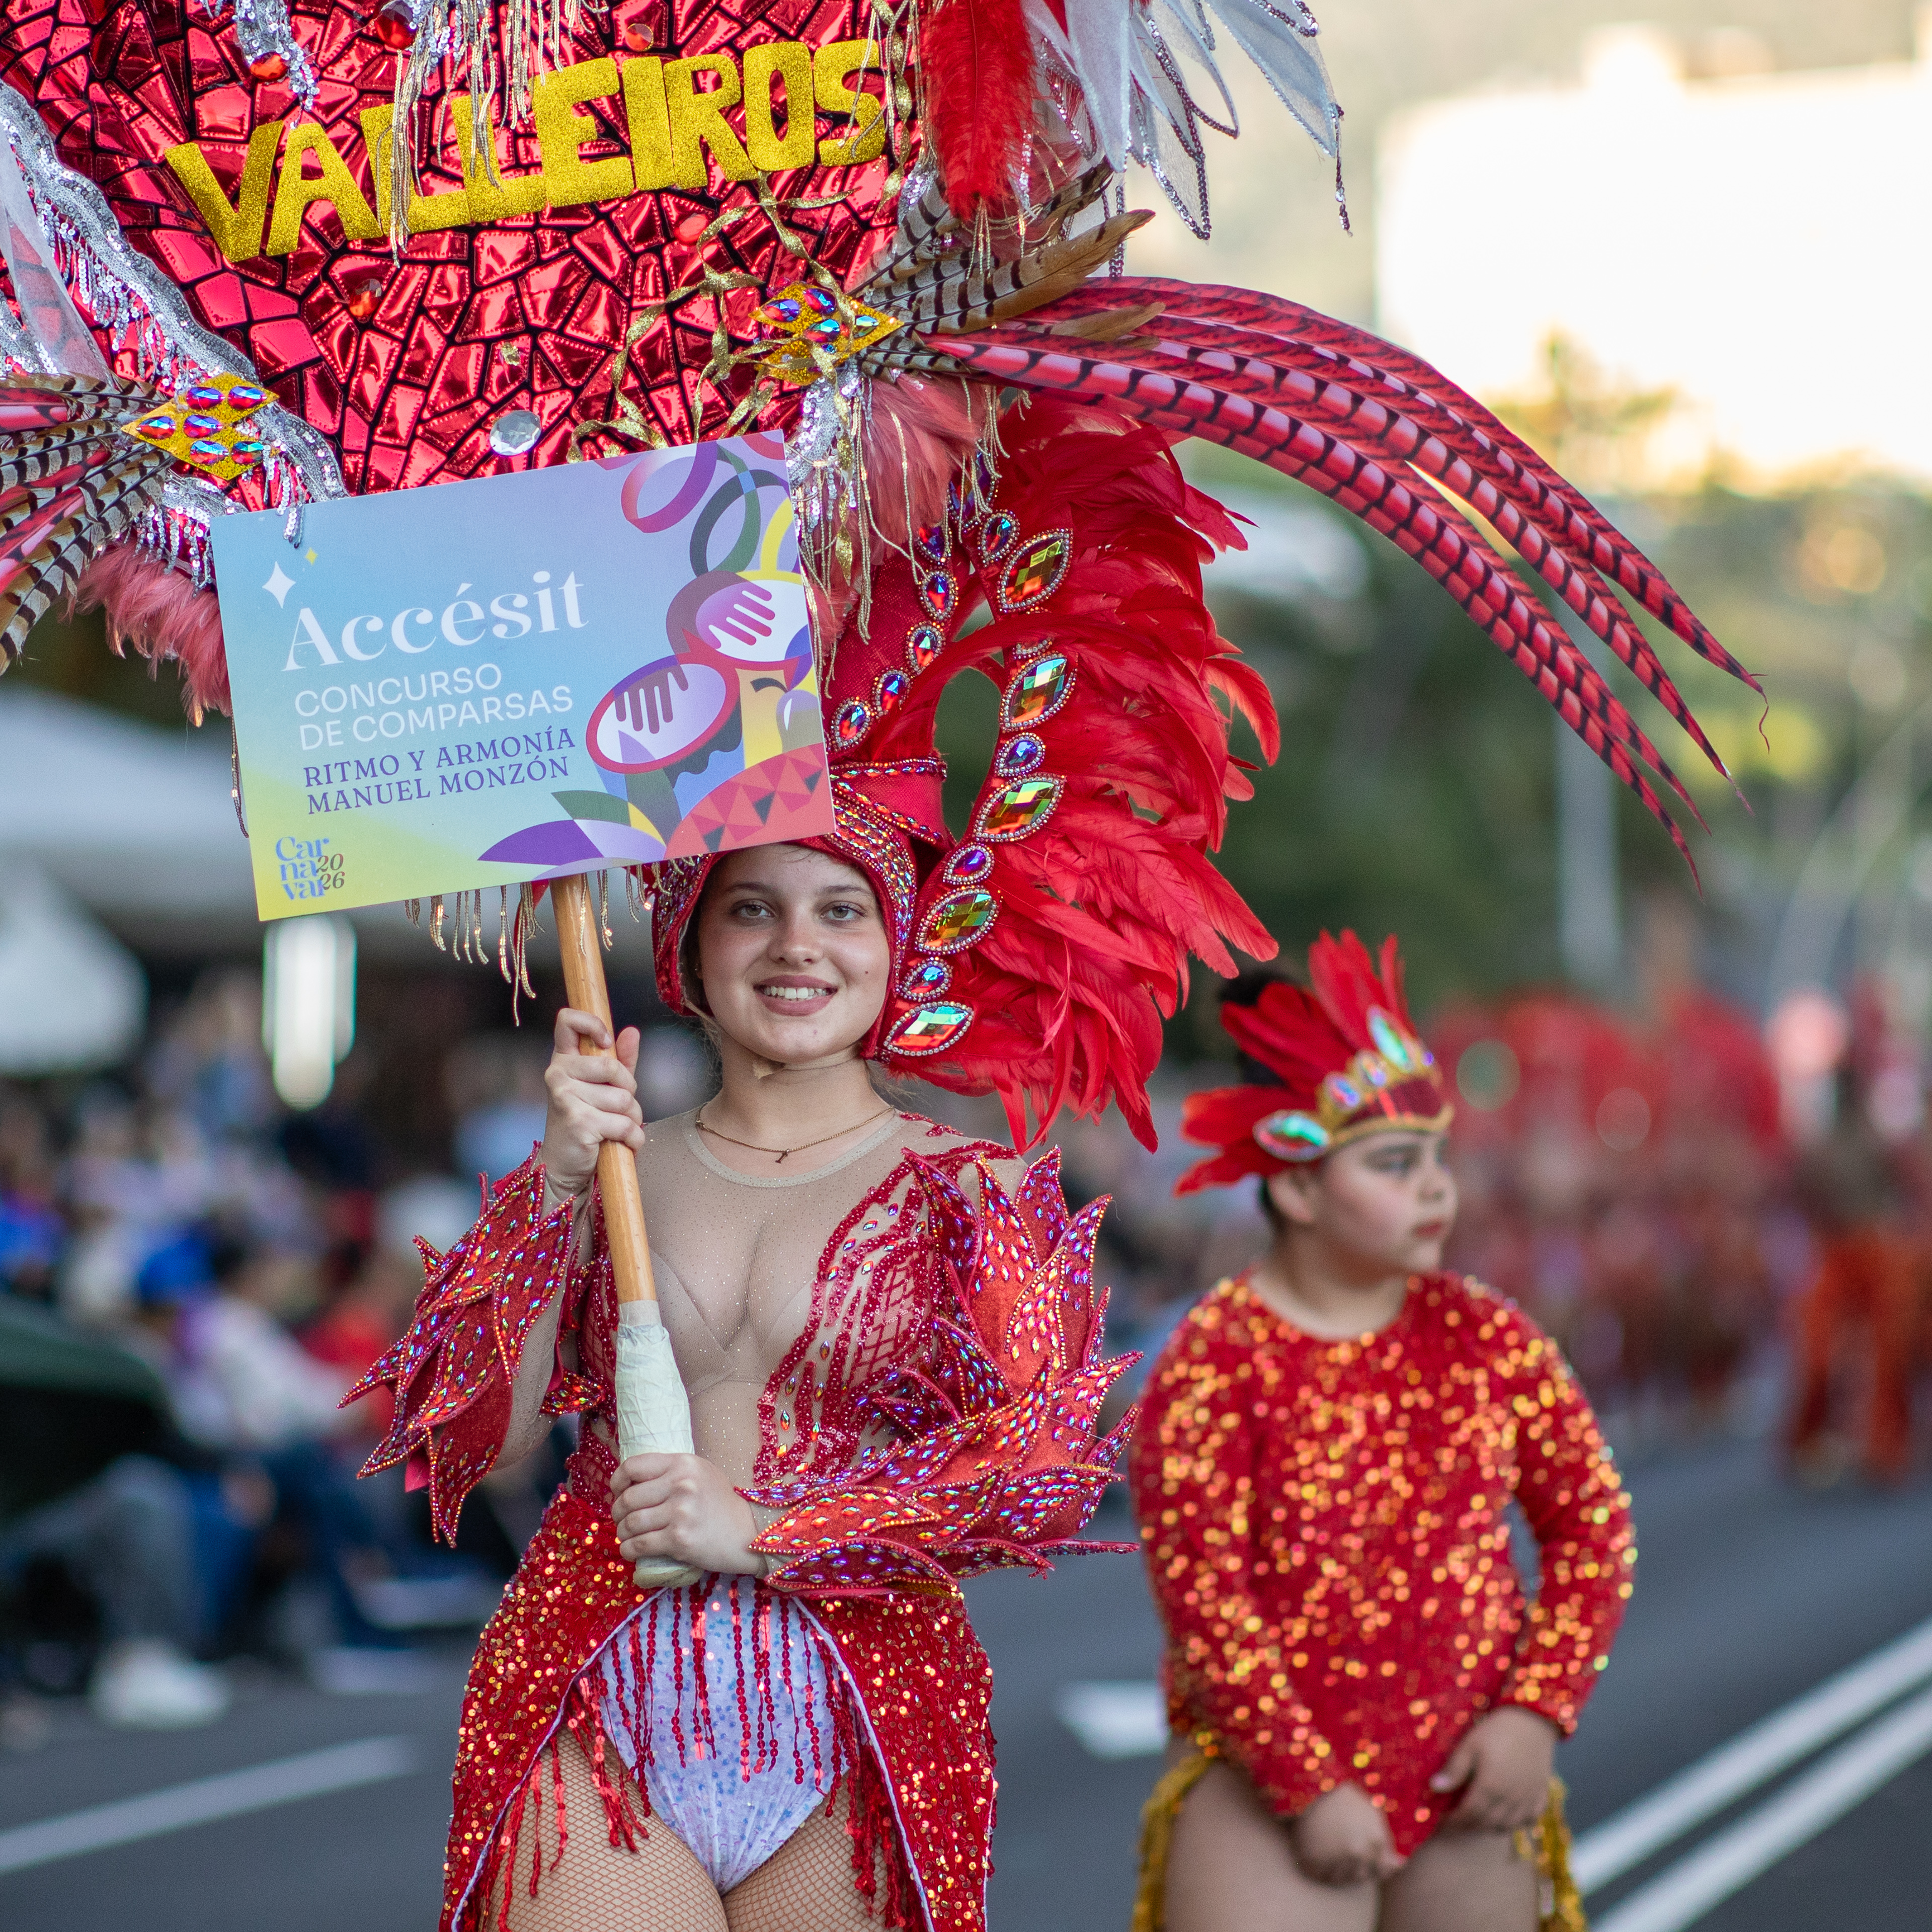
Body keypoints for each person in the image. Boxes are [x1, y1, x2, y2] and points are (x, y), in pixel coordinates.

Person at [1130, 933, 1633, 1932]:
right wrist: (1306, 1786)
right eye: (1397, 1164)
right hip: (1261, 1794)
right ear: (1297, 1187)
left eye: (1438, 1158)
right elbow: (1206, 1601)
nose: (1437, 1188)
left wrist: (1535, 1712)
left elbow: (1592, 1531)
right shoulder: (1213, 1362)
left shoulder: (1489, 1337)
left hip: (1468, 1787)